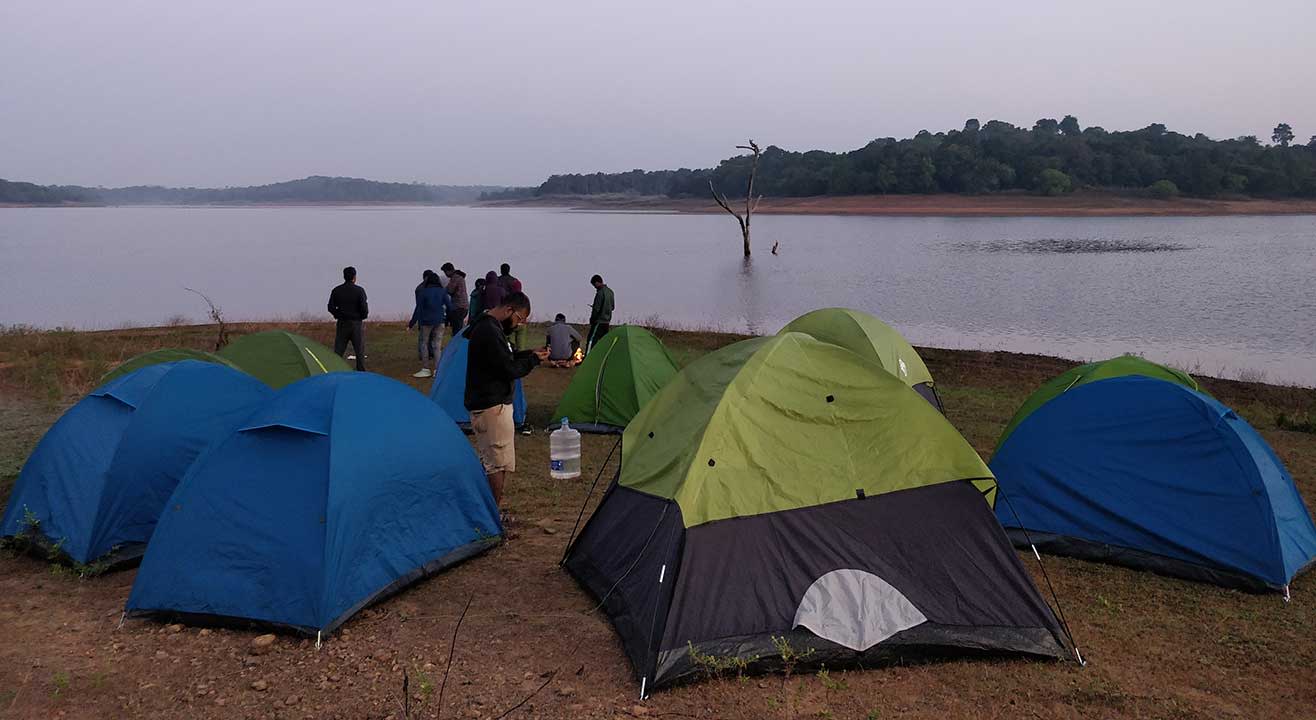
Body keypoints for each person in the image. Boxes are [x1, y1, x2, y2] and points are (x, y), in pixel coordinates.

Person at [465, 291, 549, 517]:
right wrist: (531, 361)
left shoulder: (488, 327)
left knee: (494, 462)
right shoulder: (489, 331)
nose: (519, 324)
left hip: (489, 405)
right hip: (492, 407)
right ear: (509, 310)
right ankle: (492, 517)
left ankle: (489, 513)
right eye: (520, 318)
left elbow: (504, 357)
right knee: (497, 464)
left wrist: (529, 354)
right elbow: (508, 369)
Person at [407, 270, 452, 378]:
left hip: (426, 322)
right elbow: (449, 306)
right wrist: (448, 320)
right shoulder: (442, 291)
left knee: (424, 343)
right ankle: (437, 370)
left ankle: (426, 369)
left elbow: (418, 309)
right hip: (440, 321)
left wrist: (411, 324)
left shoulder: (423, 292)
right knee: (437, 345)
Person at [328, 266, 368, 370]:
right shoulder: (359, 291)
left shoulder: (337, 290)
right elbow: (364, 308)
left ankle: (335, 370)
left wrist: (337, 314)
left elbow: (330, 307)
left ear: (344, 276)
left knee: (338, 351)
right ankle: (361, 374)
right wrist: (362, 317)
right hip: (356, 324)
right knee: (359, 352)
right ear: (354, 277)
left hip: (342, 324)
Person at [587, 274, 614, 353]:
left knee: (591, 341)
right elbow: (612, 307)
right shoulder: (611, 292)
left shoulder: (600, 293)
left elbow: (596, 309)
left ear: (597, 282)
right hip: (607, 322)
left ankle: (588, 359)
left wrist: (592, 319)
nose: (594, 287)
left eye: (594, 285)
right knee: (604, 343)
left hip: (598, 322)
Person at [441, 262, 469, 335]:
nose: (446, 275)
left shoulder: (455, 278)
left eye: (445, 272)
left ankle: (456, 345)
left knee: (456, 331)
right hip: (464, 306)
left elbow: (450, 290)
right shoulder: (460, 277)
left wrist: (442, 290)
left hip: (458, 306)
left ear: (448, 270)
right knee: (459, 328)